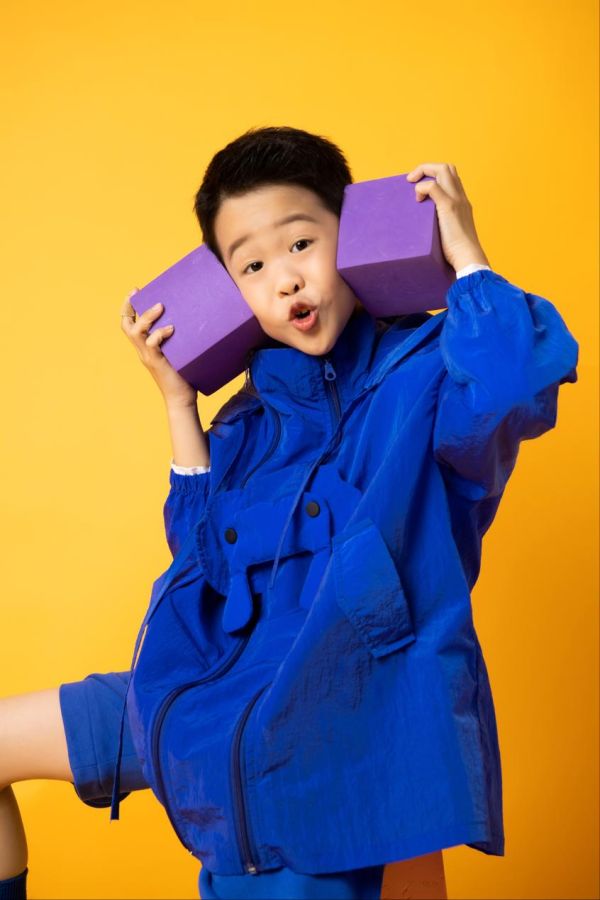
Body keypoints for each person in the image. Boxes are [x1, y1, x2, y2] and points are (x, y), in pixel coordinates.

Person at [0, 126, 579, 900]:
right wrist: (179, 404)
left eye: (302, 243)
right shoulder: (245, 424)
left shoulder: (429, 375)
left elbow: (513, 389)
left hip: (335, 720)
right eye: (252, 266)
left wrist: (466, 257)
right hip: (208, 693)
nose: (286, 280)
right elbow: (201, 569)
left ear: (354, 233)